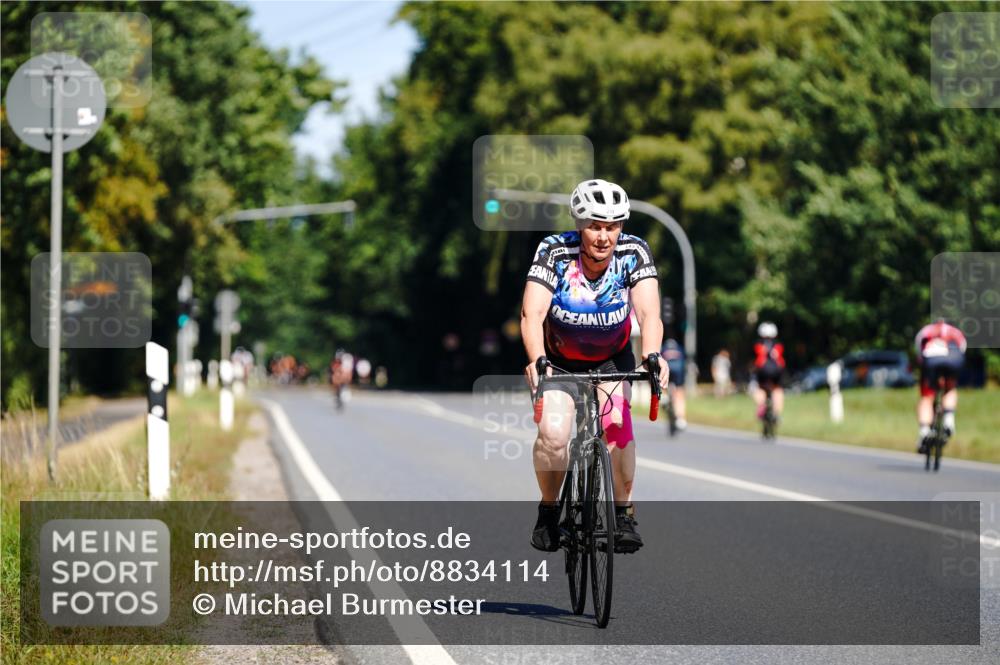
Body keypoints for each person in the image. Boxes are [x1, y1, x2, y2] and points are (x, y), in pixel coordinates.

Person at [522, 178, 669, 554]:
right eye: (594, 225)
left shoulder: (634, 252)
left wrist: (652, 355)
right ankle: (550, 510)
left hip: (610, 358)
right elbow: (532, 313)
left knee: (617, 427)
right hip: (558, 360)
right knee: (554, 435)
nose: (604, 236)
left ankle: (623, 515)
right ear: (578, 224)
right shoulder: (554, 251)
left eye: (613, 226)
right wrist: (537, 360)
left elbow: (649, 312)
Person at [914, 319, 967, 453]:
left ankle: (924, 432)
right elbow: (962, 351)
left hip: (931, 360)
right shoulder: (956, 332)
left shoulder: (926, 331)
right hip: (953, 359)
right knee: (950, 388)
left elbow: (919, 355)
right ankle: (949, 420)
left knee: (927, 397)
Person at [752, 322, 785, 421]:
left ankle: (761, 406)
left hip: (762, 372)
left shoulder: (757, 344)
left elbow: (755, 361)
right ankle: (776, 414)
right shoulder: (779, 345)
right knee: (778, 390)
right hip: (777, 372)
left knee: (759, 388)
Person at [660, 338, 687, 430]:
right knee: (679, 392)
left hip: (667, 368)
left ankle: (664, 396)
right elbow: (684, 361)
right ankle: (681, 419)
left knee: (662, 382)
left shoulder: (663, 348)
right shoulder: (680, 348)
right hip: (679, 369)